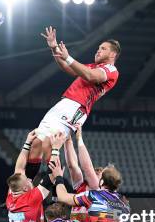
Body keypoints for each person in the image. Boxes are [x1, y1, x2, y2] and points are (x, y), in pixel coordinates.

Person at [25, 27, 120, 172]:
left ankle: (54, 187)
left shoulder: (111, 70)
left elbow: (91, 76)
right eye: (98, 48)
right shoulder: (92, 66)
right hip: (64, 103)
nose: (98, 50)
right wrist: (54, 47)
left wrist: (68, 57)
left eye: (103, 48)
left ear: (112, 54)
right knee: (37, 142)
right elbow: (66, 67)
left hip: (76, 108)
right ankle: (28, 188)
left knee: (48, 145)